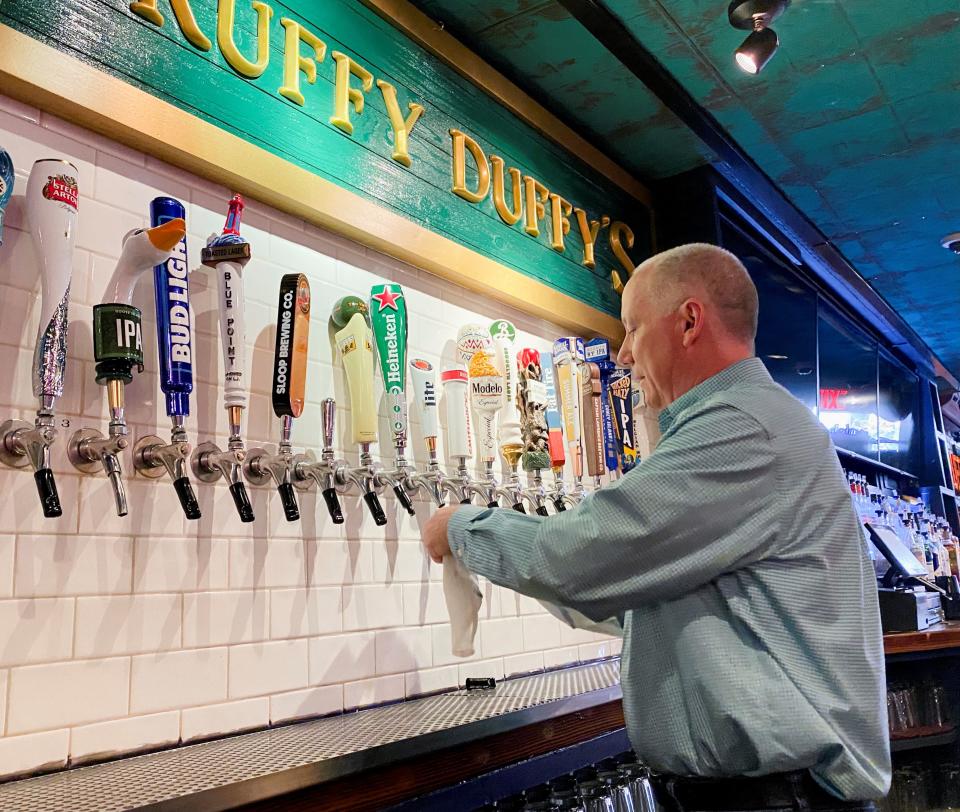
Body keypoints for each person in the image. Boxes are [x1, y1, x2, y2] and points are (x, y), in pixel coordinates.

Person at [422, 243, 890, 811]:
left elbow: (588, 557)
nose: (623, 355)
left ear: (690, 322)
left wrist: (464, 528)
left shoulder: (741, 428)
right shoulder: (747, 424)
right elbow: (629, 590)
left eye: (633, 329)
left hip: (776, 799)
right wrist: (551, 568)